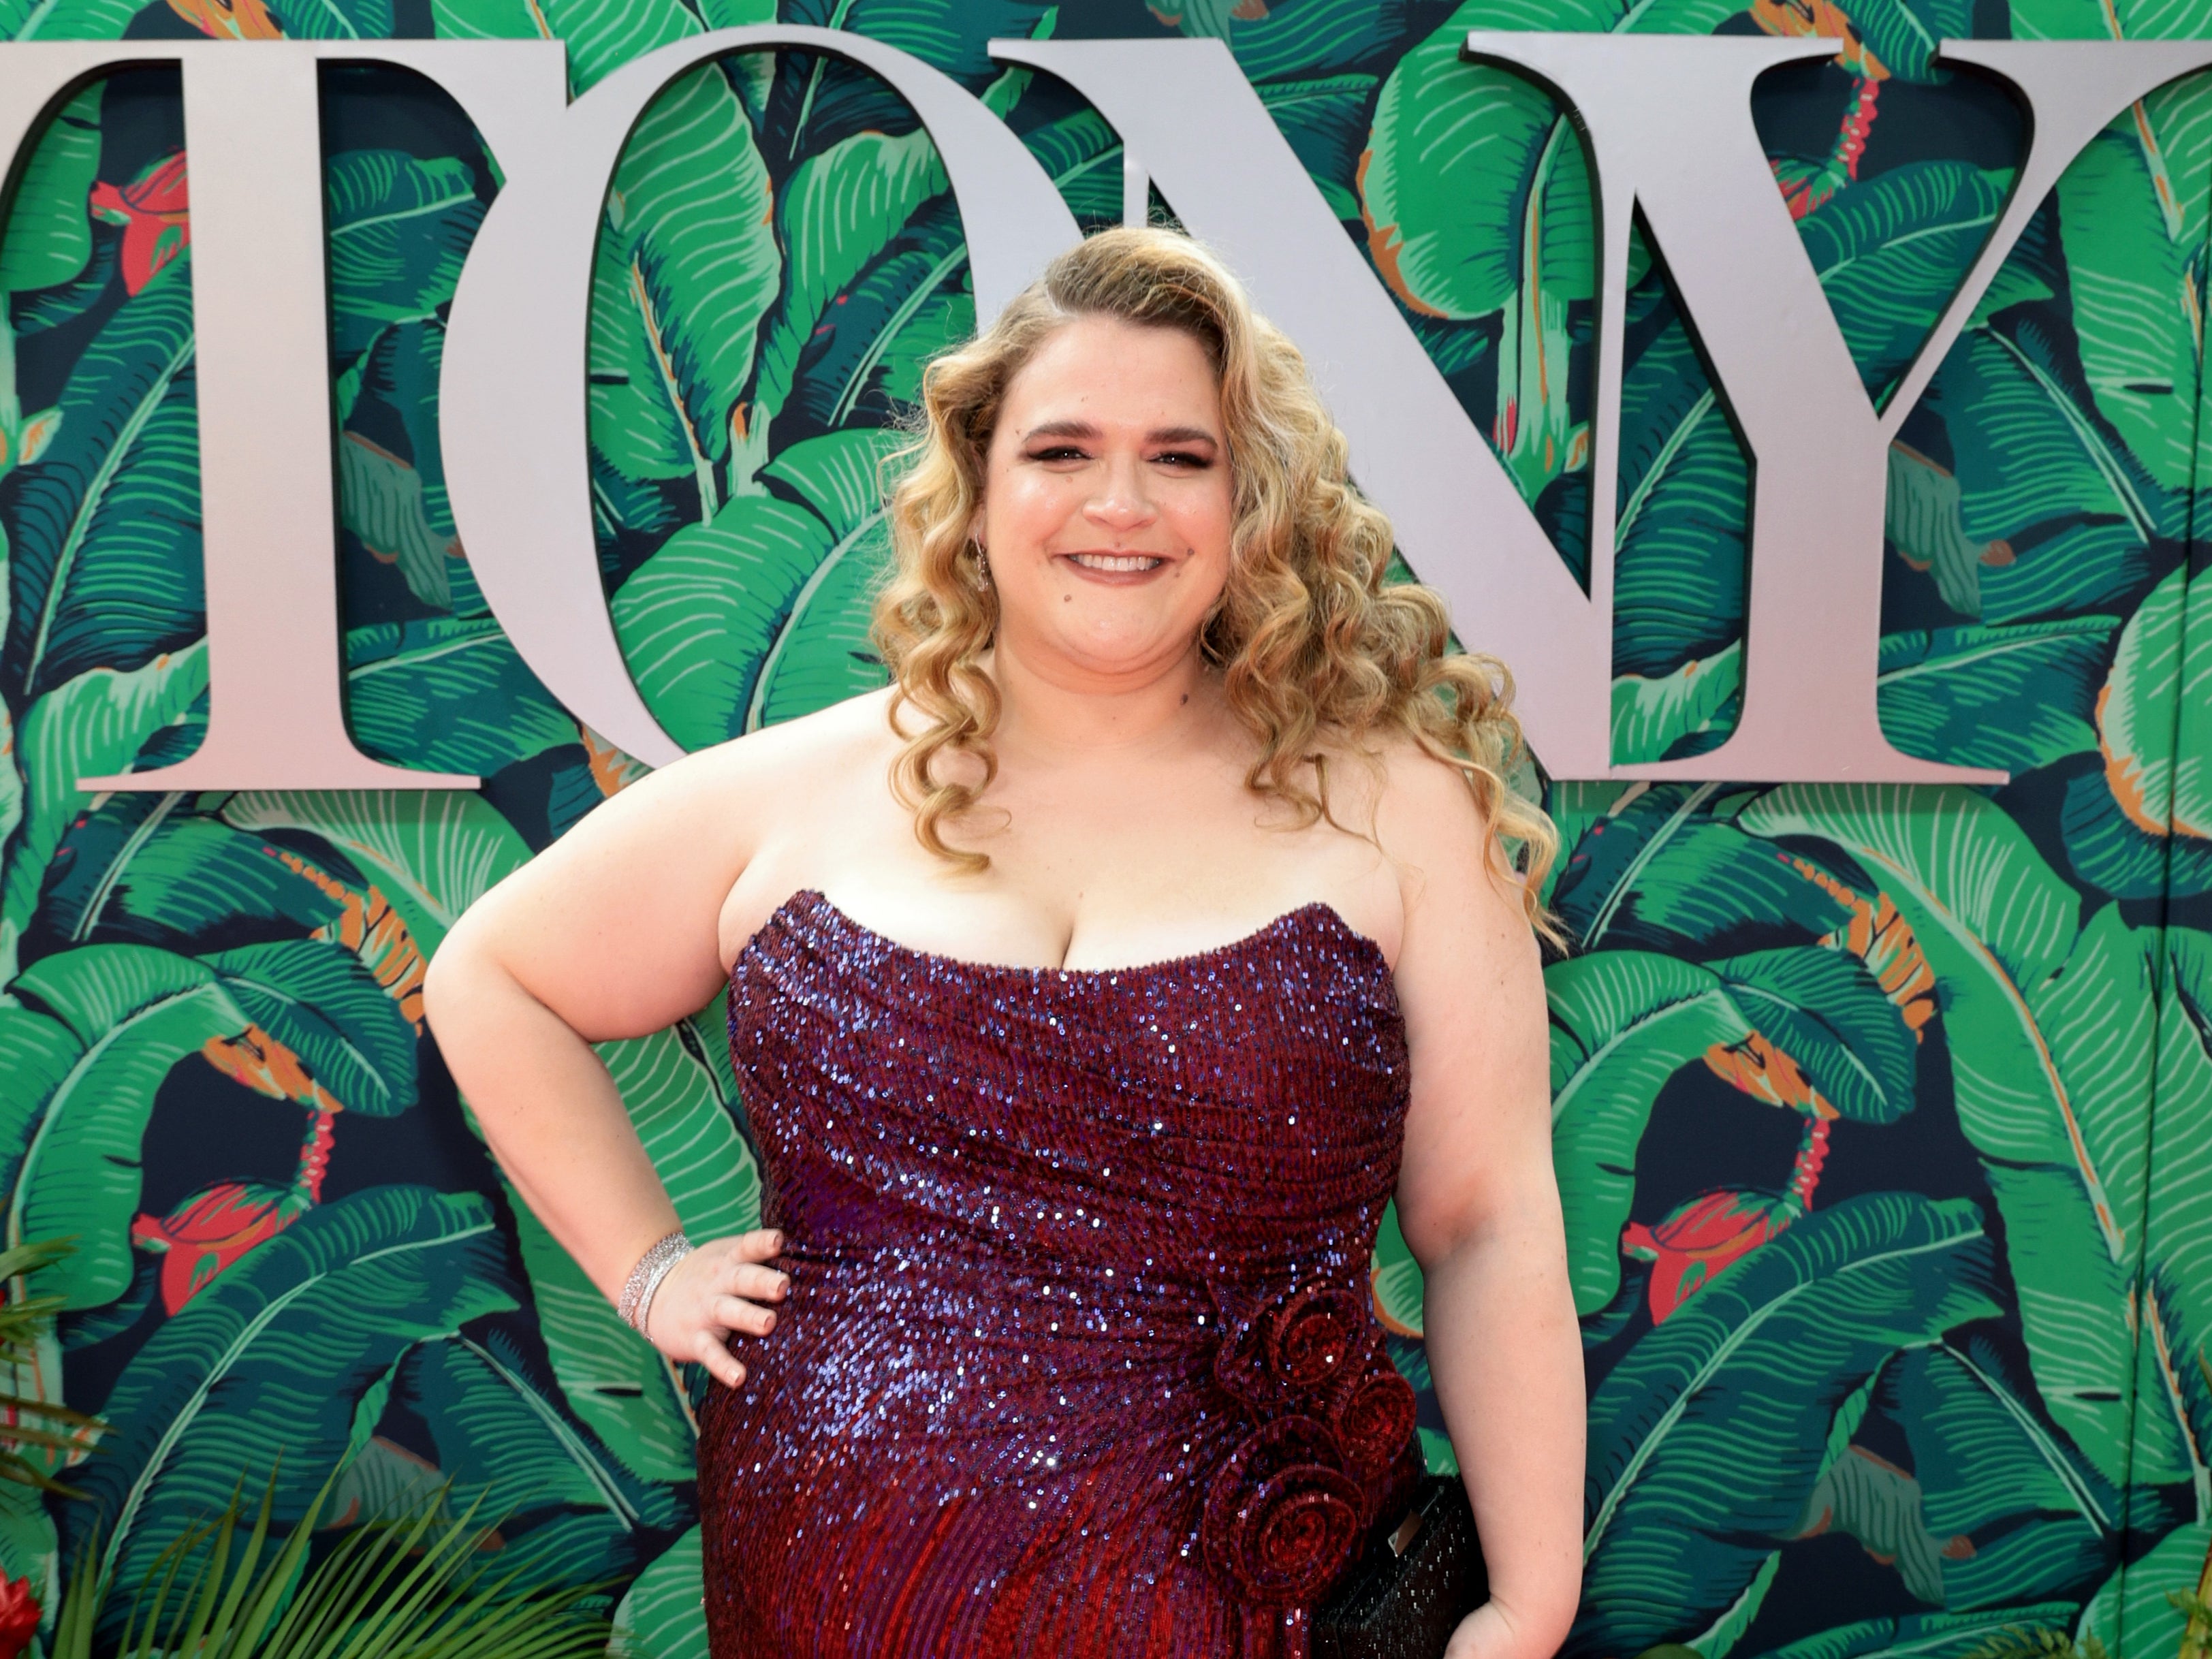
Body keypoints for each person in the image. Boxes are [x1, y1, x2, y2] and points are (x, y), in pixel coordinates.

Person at [422, 225, 1583, 1658]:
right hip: (836, 1588)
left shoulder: (1402, 809)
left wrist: (1527, 1606)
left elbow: (1484, 1223)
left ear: (1252, 504)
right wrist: (650, 1269)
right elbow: (492, 972)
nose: (1120, 502)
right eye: (1060, 451)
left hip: (1259, 1602)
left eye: (1180, 455)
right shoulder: (798, 789)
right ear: (973, 491)